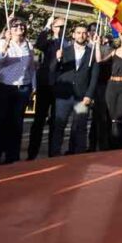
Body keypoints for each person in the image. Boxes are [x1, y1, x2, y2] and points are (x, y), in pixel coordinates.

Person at [0, 19, 36, 166]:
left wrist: (33, 86)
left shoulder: (28, 44)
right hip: (4, 86)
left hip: (22, 88)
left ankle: (12, 157)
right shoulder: (3, 42)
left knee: (16, 124)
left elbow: (31, 66)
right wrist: (4, 50)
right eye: (16, 26)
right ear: (10, 29)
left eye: (22, 25)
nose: (20, 27)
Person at [49, 23, 97, 156]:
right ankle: (54, 155)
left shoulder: (91, 53)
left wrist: (89, 95)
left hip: (81, 98)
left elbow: (94, 77)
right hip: (64, 96)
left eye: (83, 33)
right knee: (59, 126)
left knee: (80, 127)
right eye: (78, 32)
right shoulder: (65, 50)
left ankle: (78, 155)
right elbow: (53, 70)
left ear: (87, 35)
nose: (81, 35)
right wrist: (57, 59)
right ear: (73, 34)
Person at [29, 17, 65, 159]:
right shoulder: (48, 43)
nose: (60, 29)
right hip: (45, 85)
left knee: (56, 122)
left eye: (63, 27)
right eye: (58, 26)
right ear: (53, 28)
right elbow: (39, 44)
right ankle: (32, 153)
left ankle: (53, 152)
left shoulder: (67, 44)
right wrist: (46, 25)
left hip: (60, 86)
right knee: (39, 120)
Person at [89, 32, 114, 151]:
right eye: (106, 40)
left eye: (110, 40)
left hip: (109, 86)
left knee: (106, 118)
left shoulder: (114, 50)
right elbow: (99, 61)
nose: (108, 42)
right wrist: (97, 46)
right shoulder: (95, 49)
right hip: (97, 86)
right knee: (97, 118)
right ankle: (93, 144)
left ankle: (105, 144)